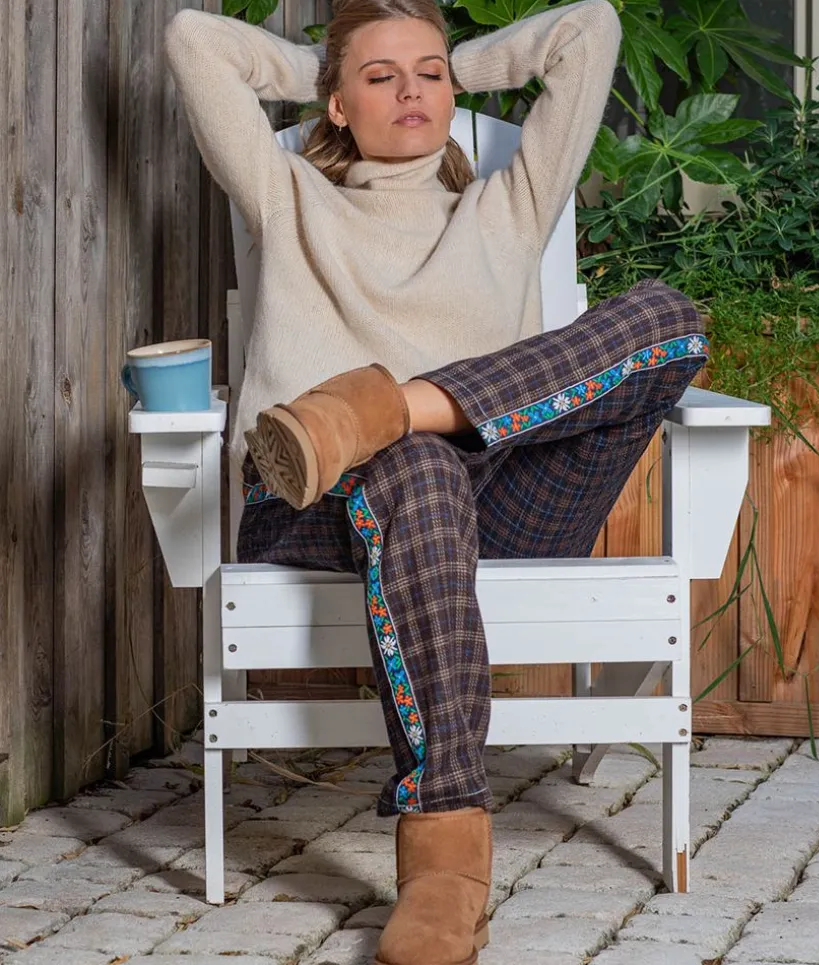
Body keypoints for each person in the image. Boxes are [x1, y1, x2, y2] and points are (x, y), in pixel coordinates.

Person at [165, 1, 709, 961]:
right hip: (320, 501)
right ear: (337, 105)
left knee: (668, 318)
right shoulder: (286, 196)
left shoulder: (511, 202)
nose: (412, 91)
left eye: (430, 74)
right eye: (380, 78)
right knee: (416, 466)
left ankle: (387, 405)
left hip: (503, 492)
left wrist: (457, 62)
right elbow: (193, 41)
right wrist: (325, 68)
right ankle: (446, 860)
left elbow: (591, 27)